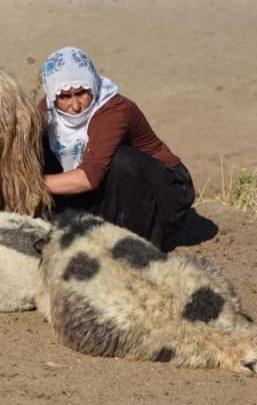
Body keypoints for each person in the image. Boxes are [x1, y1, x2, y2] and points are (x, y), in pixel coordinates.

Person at [39, 46, 195, 251]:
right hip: (108, 192)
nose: (75, 106)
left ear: (92, 84)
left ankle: (138, 245)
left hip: (161, 193)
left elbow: (88, 178)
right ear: (52, 95)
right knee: (39, 150)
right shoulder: (48, 111)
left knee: (122, 160)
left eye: (82, 93)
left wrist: (29, 185)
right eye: (65, 97)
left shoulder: (113, 110)